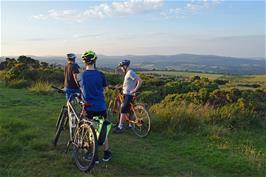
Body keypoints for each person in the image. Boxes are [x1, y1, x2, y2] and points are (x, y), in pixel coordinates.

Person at [79, 50, 112, 163]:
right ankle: (107, 152)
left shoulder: (82, 75)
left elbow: (82, 90)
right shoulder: (101, 74)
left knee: (90, 130)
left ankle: (93, 155)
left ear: (85, 62)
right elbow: (106, 89)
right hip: (101, 106)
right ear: (94, 61)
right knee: (102, 129)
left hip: (89, 108)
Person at [113, 60, 142, 133]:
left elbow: (140, 80)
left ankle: (120, 127)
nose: (122, 69)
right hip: (127, 93)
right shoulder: (128, 73)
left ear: (125, 66)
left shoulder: (130, 73)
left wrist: (134, 90)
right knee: (129, 109)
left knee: (123, 110)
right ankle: (130, 124)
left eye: (122, 67)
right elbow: (132, 82)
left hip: (128, 94)